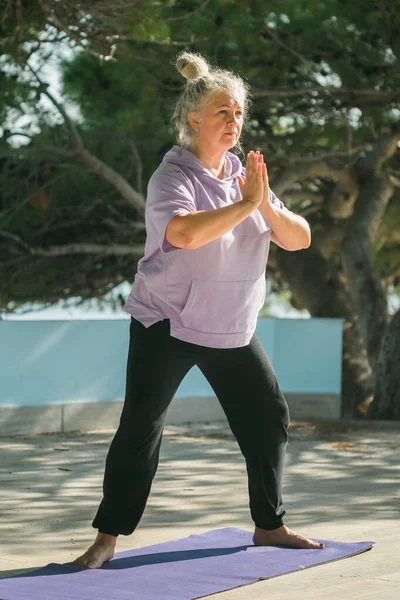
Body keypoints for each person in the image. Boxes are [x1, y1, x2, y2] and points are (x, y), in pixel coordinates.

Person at [74, 51, 324, 569]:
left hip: (229, 326)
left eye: (238, 113)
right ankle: (106, 539)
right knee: (141, 426)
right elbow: (184, 234)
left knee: (267, 416)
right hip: (167, 320)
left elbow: (298, 239)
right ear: (193, 119)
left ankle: (269, 525)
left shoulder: (245, 175)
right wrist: (247, 205)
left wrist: (265, 202)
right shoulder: (173, 177)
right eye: (222, 113)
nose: (234, 122)